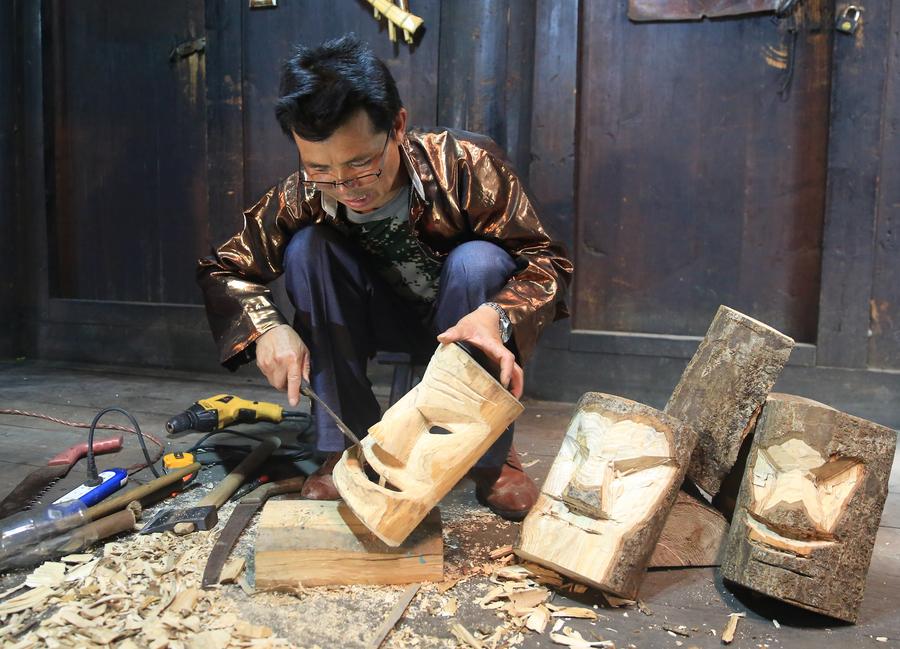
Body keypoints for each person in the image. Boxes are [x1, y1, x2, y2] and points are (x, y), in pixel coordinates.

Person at [197, 34, 573, 520]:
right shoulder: (301, 194)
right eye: (320, 169)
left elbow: (546, 260)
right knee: (308, 249)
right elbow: (222, 268)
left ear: (397, 125)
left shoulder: (466, 166)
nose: (345, 187)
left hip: (464, 318)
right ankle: (347, 448)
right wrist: (268, 326)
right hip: (371, 321)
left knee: (478, 261)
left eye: (360, 164)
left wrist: (497, 314)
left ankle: (488, 459)